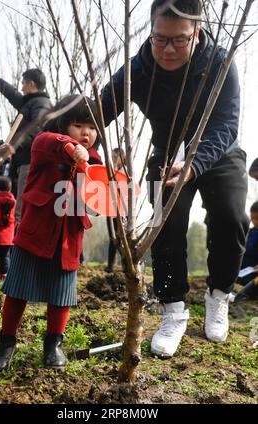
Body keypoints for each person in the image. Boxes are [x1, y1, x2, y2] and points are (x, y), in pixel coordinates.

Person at [101, 0, 249, 357]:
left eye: (178, 40)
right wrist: (66, 136)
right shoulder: (139, 67)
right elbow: (100, 108)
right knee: (165, 225)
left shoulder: (219, 64)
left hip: (218, 152)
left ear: (196, 33)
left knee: (231, 218)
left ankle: (218, 294)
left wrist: (194, 164)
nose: (167, 49)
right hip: (165, 156)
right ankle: (173, 311)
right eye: (159, 39)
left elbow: (227, 124)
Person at [0, 94, 102, 372]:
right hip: (35, 233)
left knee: (61, 295)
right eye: (78, 126)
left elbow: (99, 198)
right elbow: (53, 143)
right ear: (64, 125)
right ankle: (7, 340)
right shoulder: (45, 144)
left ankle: (53, 344)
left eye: (92, 128)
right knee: (17, 290)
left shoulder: (96, 164)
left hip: (68, 239)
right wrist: (73, 148)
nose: (86, 133)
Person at [0, 68, 52, 224]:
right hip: (21, 161)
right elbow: (12, 94)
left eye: (23, 84)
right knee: (18, 208)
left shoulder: (42, 104)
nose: (21, 88)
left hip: (30, 161)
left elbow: (36, 128)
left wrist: (14, 146)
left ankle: (18, 247)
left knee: (22, 210)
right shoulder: (30, 102)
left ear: (31, 84)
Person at [105, 147, 126, 273]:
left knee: (121, 239)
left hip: (122, 210)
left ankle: (127, 265)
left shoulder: (125, 172)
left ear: (122, 157)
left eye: (115, 157)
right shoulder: (111, 171)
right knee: (112, 238)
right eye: (112, 157)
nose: (113, 159)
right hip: (110, 208)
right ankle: (110, 266)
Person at [235, 201, 258, 301]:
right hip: (245, 271)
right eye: (252, 218)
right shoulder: (250, 232)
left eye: (257, 218)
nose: (254, 221)